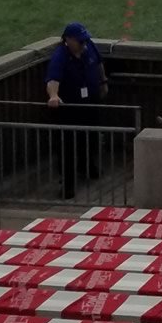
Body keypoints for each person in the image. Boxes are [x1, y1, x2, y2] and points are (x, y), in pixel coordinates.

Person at [45, 22, 107, 199]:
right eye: (80, 40)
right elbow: (52, 79)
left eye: (85, 39)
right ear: (68, 40)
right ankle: (68, 183)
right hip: (70, 108)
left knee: (91, 137)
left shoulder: (89, 47)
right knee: (68, 146)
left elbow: (99, 64)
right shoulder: (60, 56)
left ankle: (88, 165)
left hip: (91, 103)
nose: (83, 43)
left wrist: (103, 82)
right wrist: (54, 96)